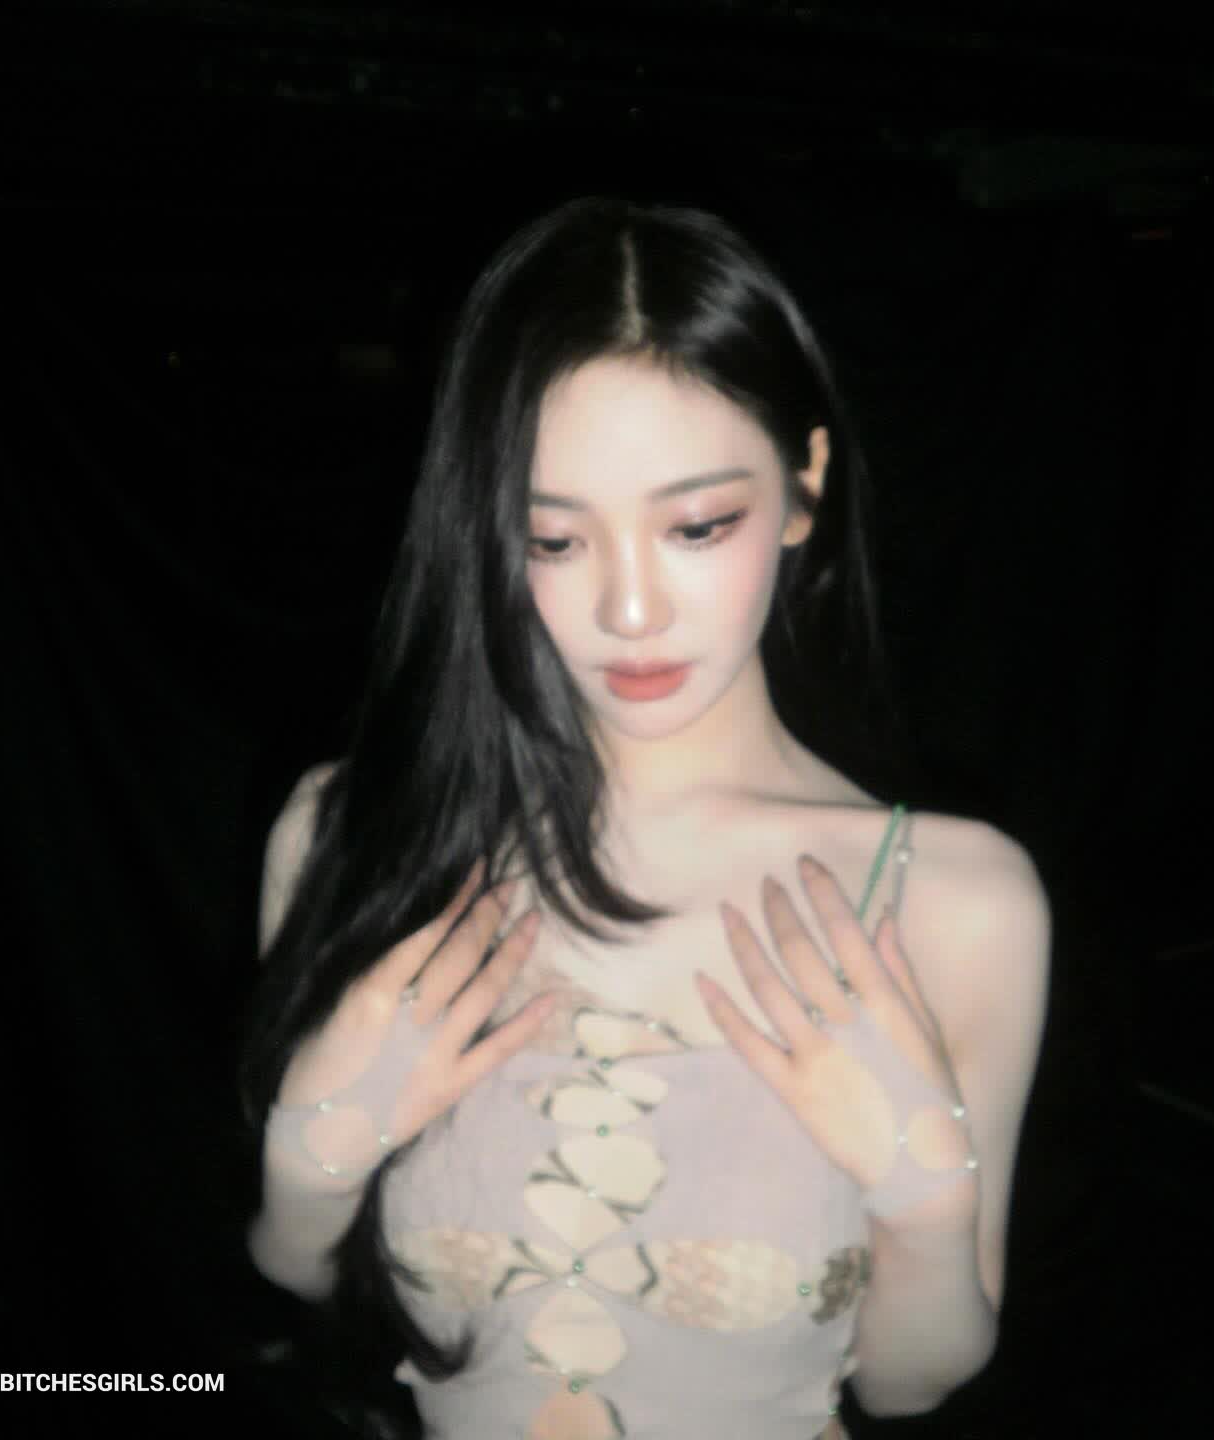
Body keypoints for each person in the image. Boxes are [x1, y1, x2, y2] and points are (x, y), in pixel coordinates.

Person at [238, 196, 1049, 1440]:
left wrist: (929, 1205)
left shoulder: (955, 900)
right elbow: (304, 1284)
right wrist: (308, 1168)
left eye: (696, 526)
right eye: (552, 539)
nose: (629, 611)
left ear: (804, 485)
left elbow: (909, 1381)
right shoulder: (348, 838)